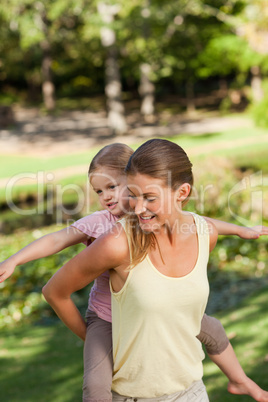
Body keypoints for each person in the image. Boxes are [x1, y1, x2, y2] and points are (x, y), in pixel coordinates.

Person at [41, 139, 268, 401]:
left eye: (149, 198)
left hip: (190, 391)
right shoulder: (117, 243)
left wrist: (240, 229)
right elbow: (55, 291)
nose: (136, 209)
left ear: (182, 193)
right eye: (133, 195)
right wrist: (99, 342)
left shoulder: (205, 235)